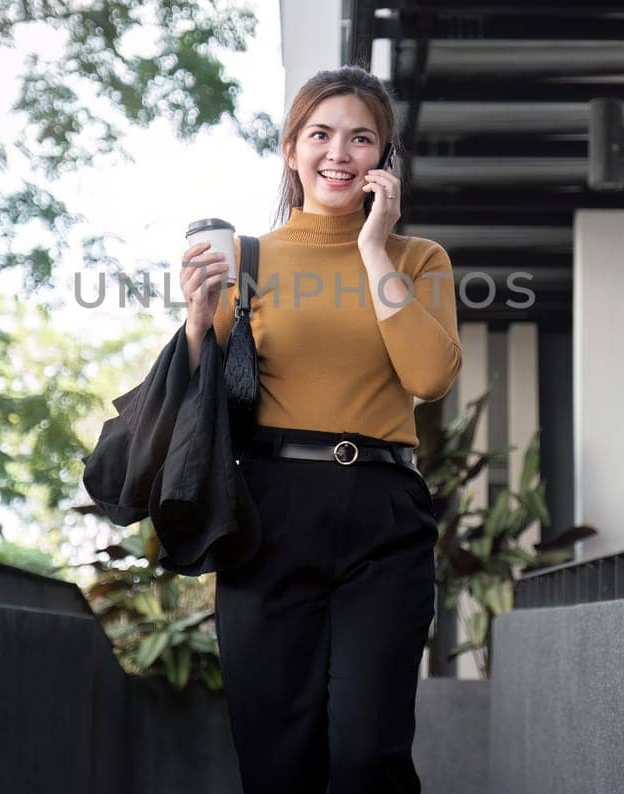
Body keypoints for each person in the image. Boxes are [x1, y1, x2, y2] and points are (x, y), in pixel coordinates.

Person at [178, 66, 462, 794]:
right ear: (291, 149)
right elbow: (192, 395)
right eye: (322, 135)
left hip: (384, 515)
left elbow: (429, 377)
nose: (340, 153)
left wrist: (374, 248)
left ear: (384, 160)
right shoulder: (246, 259)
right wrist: (192, 319)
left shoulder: (418, 259)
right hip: (270, 513)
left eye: (361, 139)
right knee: (278, 764)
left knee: (370, 757)